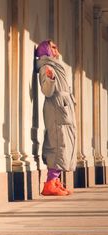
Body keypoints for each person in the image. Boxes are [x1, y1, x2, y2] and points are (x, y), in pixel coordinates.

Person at [35, 40, 77, 196]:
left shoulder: (56, 65)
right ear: (46, 51)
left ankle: (55, 180)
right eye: (52, 47)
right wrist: (50, 79)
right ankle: (49, 184)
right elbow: (47, 91)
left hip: (63, 108)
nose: (56, 49)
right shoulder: (47, 66)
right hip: (57, 109)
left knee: (65, 143)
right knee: (59, 143)